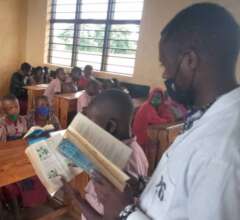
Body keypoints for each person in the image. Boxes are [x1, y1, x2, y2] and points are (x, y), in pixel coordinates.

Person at [62, 3, 240, 220]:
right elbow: (176, 197)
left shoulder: (221, 152)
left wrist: (125, 211)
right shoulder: (210, 118)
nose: (165, 74)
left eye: (165, 64)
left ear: (190, 61)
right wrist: (139, 185)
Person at [82, 89, 149, 219]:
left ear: (110, 127)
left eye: (91, 124)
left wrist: (75, 199)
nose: (88, 129)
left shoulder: (120, 163)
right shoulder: (136, 150)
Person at [0, 95, 47, 218]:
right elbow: (2, 148)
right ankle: (16, 208)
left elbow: (28, 136)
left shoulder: (24, 120)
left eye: (16, 106)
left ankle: (29, 202)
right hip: (9, 160)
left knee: (36, 174)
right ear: (4, 111)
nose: (15, 110)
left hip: (24, 155)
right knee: (11, 183)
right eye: (10, 108)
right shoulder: (1, 125)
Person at [132, 88, 173, 173]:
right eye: (154, 97)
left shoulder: (153, 107)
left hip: (146, 132)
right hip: (141, 135)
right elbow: (157, 120)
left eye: (159, 97)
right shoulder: (147, 107)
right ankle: (149, 169)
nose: (156, 99)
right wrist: (166, 119)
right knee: (156, 142)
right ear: (150, 97)